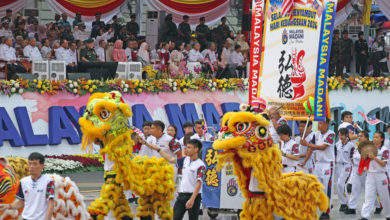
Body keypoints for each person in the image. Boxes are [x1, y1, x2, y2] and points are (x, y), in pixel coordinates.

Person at [0, 152, 55, 220]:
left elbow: (50, 204)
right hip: (26, 218)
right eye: (30, 163)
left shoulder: (48, 181)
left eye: (35, 164)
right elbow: (21, 203)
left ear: (42, 166)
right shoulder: (23, 181)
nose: (31, 166)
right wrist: (8, 206)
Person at [300, 119, 335, 220]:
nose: (319, 126)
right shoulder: (316, 134)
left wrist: (306, 144)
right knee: (315, 187)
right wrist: (304, 161)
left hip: (328, 164)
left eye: (321, 123)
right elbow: (311, 149)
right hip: (318, 163)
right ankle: (313, 209)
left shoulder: (331, 134)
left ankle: (326, 212)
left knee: (326, 188)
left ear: (327, 124)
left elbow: (322, 147)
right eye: (318, 123)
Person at [344, 131, 383, 214]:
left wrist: (364, 169)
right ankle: (352, 207)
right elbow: (353, 158)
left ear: (366, 138)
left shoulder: (371, 148)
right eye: (358, 136)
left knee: (370, 192)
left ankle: (379, 205)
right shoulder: (356, 147)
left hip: (366, 172)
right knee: (355, 189)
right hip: (356, 171)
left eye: (361, 136)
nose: (359, 138)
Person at [360, 132, 390, 220]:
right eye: (374, 137)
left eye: (377, 137)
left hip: (381, 175)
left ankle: (388, 215)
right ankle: (365, 216)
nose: (375, 139)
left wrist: (374, 157)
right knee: (368, 196)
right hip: (370, 175)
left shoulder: (385, 150)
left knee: (385, 198)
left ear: (382, 139)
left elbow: (384, 164)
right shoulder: (370, 149)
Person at [335, 128, 355, 212]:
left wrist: (355, 167)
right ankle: (343, 203)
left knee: (341, 183)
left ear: (346, 135)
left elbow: (353, 157)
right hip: (338, 165)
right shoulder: (337, 144)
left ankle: (345, 202)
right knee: (339, 185)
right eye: (339, 135)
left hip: (347, 166)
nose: (340, 136)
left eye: (342, 135)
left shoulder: (351, 145)